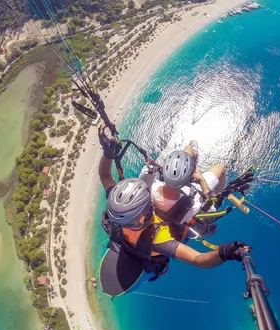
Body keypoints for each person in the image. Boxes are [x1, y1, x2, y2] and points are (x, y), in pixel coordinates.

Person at [97, 125, 250, 296]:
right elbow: (198, 260)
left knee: (215, 168)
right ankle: (192, 149)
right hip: (188, 192)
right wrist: (224, 252)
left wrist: (107, 154)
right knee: (217, 166)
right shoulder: (158, 237)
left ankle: (192, 152)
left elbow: (105, 176)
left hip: (189, 192)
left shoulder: (119, 215)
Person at [145, 142, 227, 225]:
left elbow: (153, 166)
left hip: (177, 190)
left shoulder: (148, 179)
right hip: (197, 188)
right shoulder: (193, 207)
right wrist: (202, 180)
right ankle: (194, 164)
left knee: (187, 150)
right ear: (190, 178)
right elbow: (210, 203)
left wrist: (175, 168)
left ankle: (191, 159)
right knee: (221, 167)